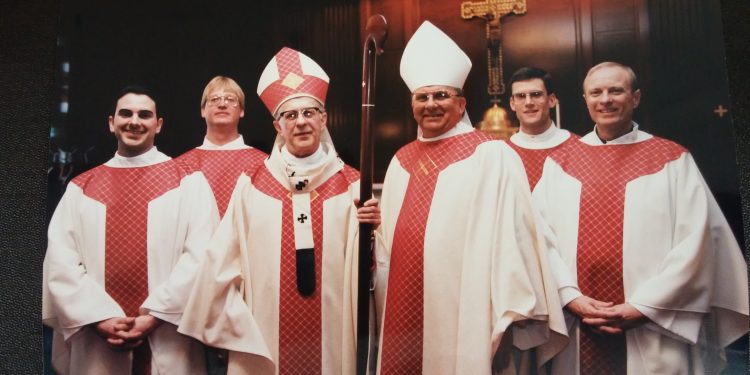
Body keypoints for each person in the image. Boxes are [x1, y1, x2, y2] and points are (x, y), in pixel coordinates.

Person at [374, 21, 567, 375]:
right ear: (412, 103)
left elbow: (517, 232)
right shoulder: (400, 160)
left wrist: (510, 303)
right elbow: (385, 244)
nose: (431, 104)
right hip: (404, 302)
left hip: (469, 302)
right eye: (422, 97)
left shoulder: (493, 153)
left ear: (461, 103)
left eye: (441, 96)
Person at [533, 61, 749, 374]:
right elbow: (540, 238)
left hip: (654, 325)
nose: (605, 99)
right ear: (585, 100)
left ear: (635, 98)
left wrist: (642, 307)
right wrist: (569, 296)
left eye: (615, 90)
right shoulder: (560, 163)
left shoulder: (672, 159)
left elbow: (697, 244)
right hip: (579, 323)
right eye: (596, 92)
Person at [178, 47, 380, 375]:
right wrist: (225, 326)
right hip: (265, 331)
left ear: (323, 118)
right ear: (277, 125)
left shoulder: (353, 185)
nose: (300, 122)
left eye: (309, 113)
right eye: (290, 115)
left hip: (333, 333)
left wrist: (371, 236)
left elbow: (374, 269)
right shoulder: (253, 186)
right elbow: (220, 264)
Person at [42, 85, 218, 374]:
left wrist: (155, 315)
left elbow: (202, 255)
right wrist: (99, 318)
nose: (134, 121)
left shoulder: (189, 183)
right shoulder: (81, 188)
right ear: (112, 122)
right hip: (98, 337)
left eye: (144, 115)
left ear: (158, 125)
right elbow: (62, 263)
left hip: (168, 334)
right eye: (126, 113)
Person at [176, 76, 268, 219]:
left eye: (230, 99)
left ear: (242, 110)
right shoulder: (180, 166)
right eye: (214, 99)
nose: (222, 104)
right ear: (202, 110)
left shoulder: (264, 163)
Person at [506, 67, 578, 190]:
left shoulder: (578, 147)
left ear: (551, 100)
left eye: (536, 94)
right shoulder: (503, 152)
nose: (528, 102)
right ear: (512, 103)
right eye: (521, 96)